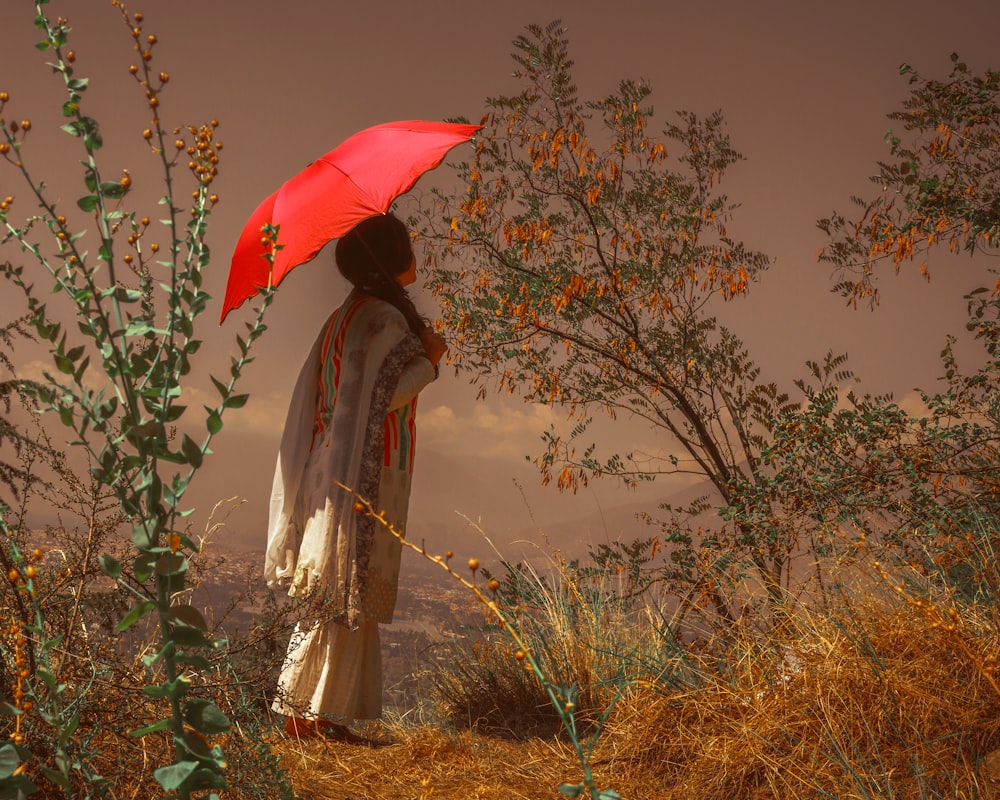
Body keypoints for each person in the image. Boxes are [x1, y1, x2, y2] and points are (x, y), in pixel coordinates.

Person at [264, 212, 447, 741]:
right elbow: (384, 398)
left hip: (333, 467)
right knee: (342, 585)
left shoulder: (349, 315)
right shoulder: (380, 318)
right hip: (362, 474)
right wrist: (430, 362)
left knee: (338, 586)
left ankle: (318, 715)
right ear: (390, 259)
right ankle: (304, 718)